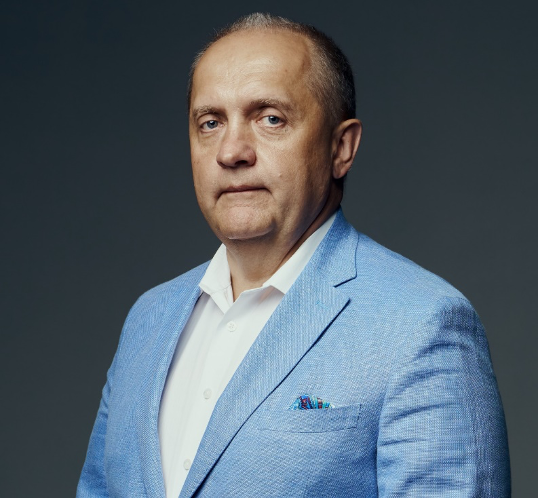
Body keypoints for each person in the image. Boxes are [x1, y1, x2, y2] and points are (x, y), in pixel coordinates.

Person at [77, 13, 510, 498]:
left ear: (341, 148)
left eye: (270, 119)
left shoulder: (420, 325)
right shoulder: (148, 320)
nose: (231, 151)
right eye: (210, 123)